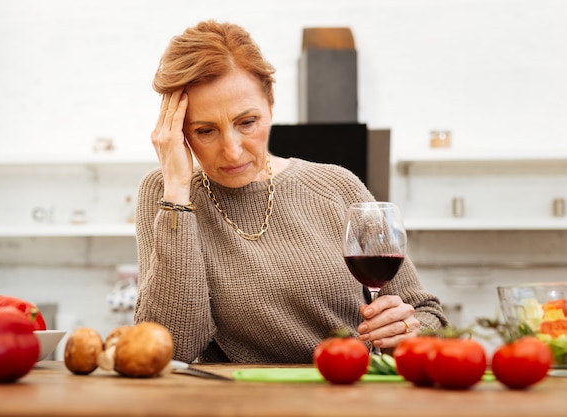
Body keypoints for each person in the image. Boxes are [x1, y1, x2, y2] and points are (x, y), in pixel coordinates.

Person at [134, 20, 448, 364]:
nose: (233, 151)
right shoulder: (166, 194)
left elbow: (425, 312)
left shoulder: (337, 187)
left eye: (247, 123)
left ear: (270, 104)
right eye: (206, 130)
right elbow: (171, 348)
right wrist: (177, 192)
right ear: (177, 131)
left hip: (353, 397)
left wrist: (407, 331)